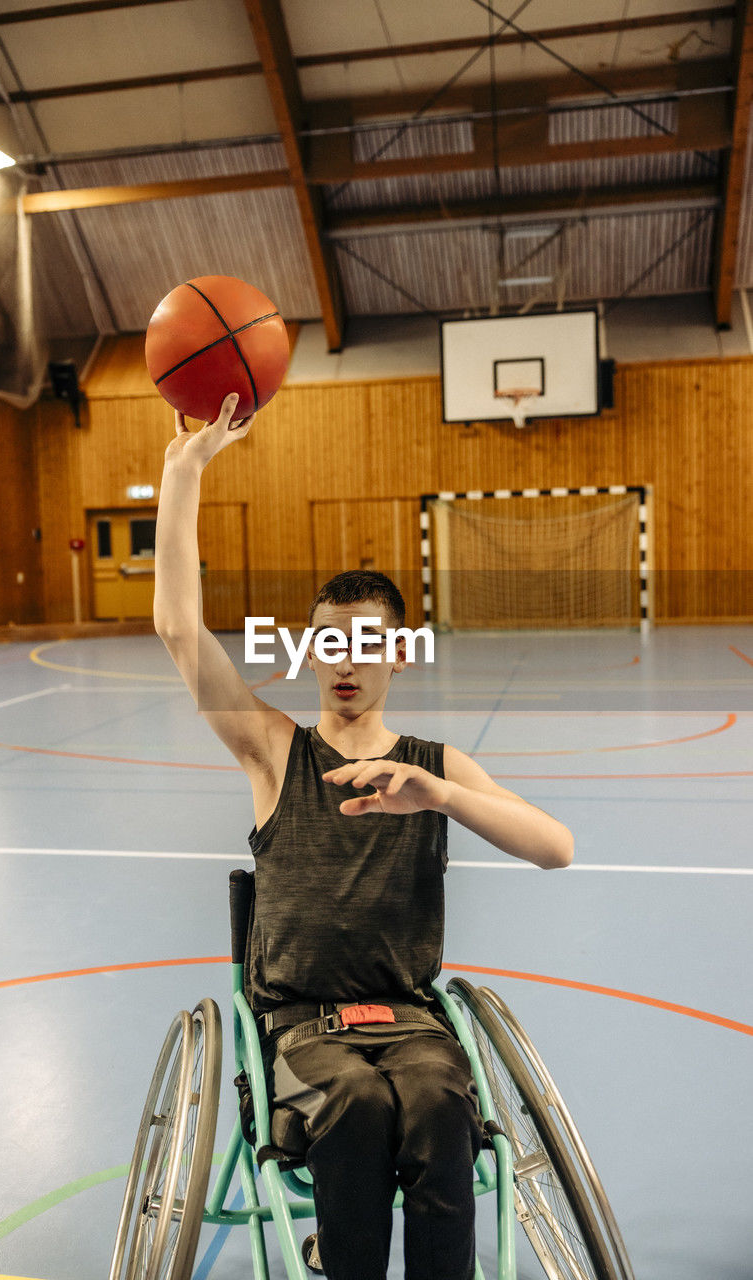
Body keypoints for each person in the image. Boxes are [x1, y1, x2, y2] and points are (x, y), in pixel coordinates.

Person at [153, 392, 574, 1280]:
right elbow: (179, 630)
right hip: (304, 1030)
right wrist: (183, 473)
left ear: (398, 654)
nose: (347, 660)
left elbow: (554, 846)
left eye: (367, 644)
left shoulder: (434, 764)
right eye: (330, 643)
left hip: (413, 1022)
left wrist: (442, 796)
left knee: (435, 1104)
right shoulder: (273, 752)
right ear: (310, 654)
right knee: (352, 1102)